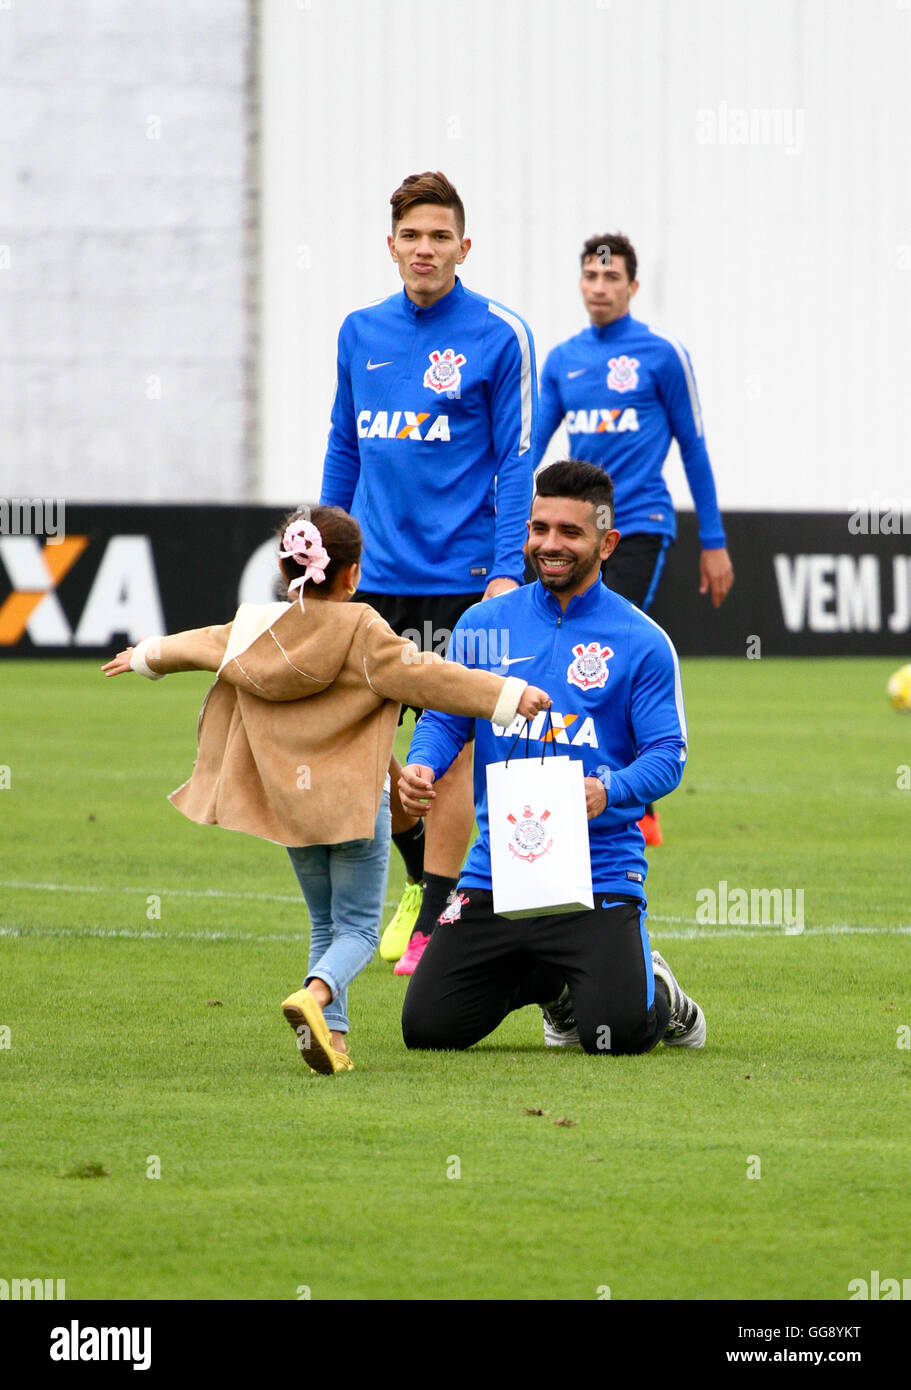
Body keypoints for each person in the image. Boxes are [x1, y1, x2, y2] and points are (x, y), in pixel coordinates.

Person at [102, 506, 550, 1075]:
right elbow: (433, 676)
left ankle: (330, 1040)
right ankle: (314, 997)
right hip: (355, 806)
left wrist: (145, 655)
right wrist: (509, 694)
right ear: (353, 574)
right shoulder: (363, 629)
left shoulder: (255, 629)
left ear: (288, 567)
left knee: (324, 923)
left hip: (288, 805)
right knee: (360, 927)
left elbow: (199, 645)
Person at [398, 461, 705, 1056]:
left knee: (614, 1036)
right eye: (539, 528)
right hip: (499, 869)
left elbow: (668, 755)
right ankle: (558, 986)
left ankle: (659, 991)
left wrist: (608, 790)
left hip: (601, 874)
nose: (550, 544)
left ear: (607, 542)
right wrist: (423, 767)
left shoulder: (641, 640)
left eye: (570, 532)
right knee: (428, 1028)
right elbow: (445, 718)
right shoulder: (483, 625)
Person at [320, 170, 537, 974]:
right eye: (411, 236)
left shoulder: (498, 334)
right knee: (367, 753)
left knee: (447, 753)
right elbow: (345, 443)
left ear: (463, 247)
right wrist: (322, 557)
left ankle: (437, 907)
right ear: (391, 246)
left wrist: (504, 572)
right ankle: (417, 880)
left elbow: (516, 461)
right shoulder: (358, 332)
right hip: (373, 579)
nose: (424, 249)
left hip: (464, 578)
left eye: (439, 235)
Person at [534, 232, 734, 844]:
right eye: (591, 278)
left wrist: (715, 540)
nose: (600, 287)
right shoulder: (562, 359)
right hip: (571, 531)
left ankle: (632, 796)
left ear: (632, 286)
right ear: (580, 284)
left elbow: (694, 448)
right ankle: (565, 786)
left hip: (636, 526)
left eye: (612, 278)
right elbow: (531, 450)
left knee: (607, 649)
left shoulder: (662, 355)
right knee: (561, 653)